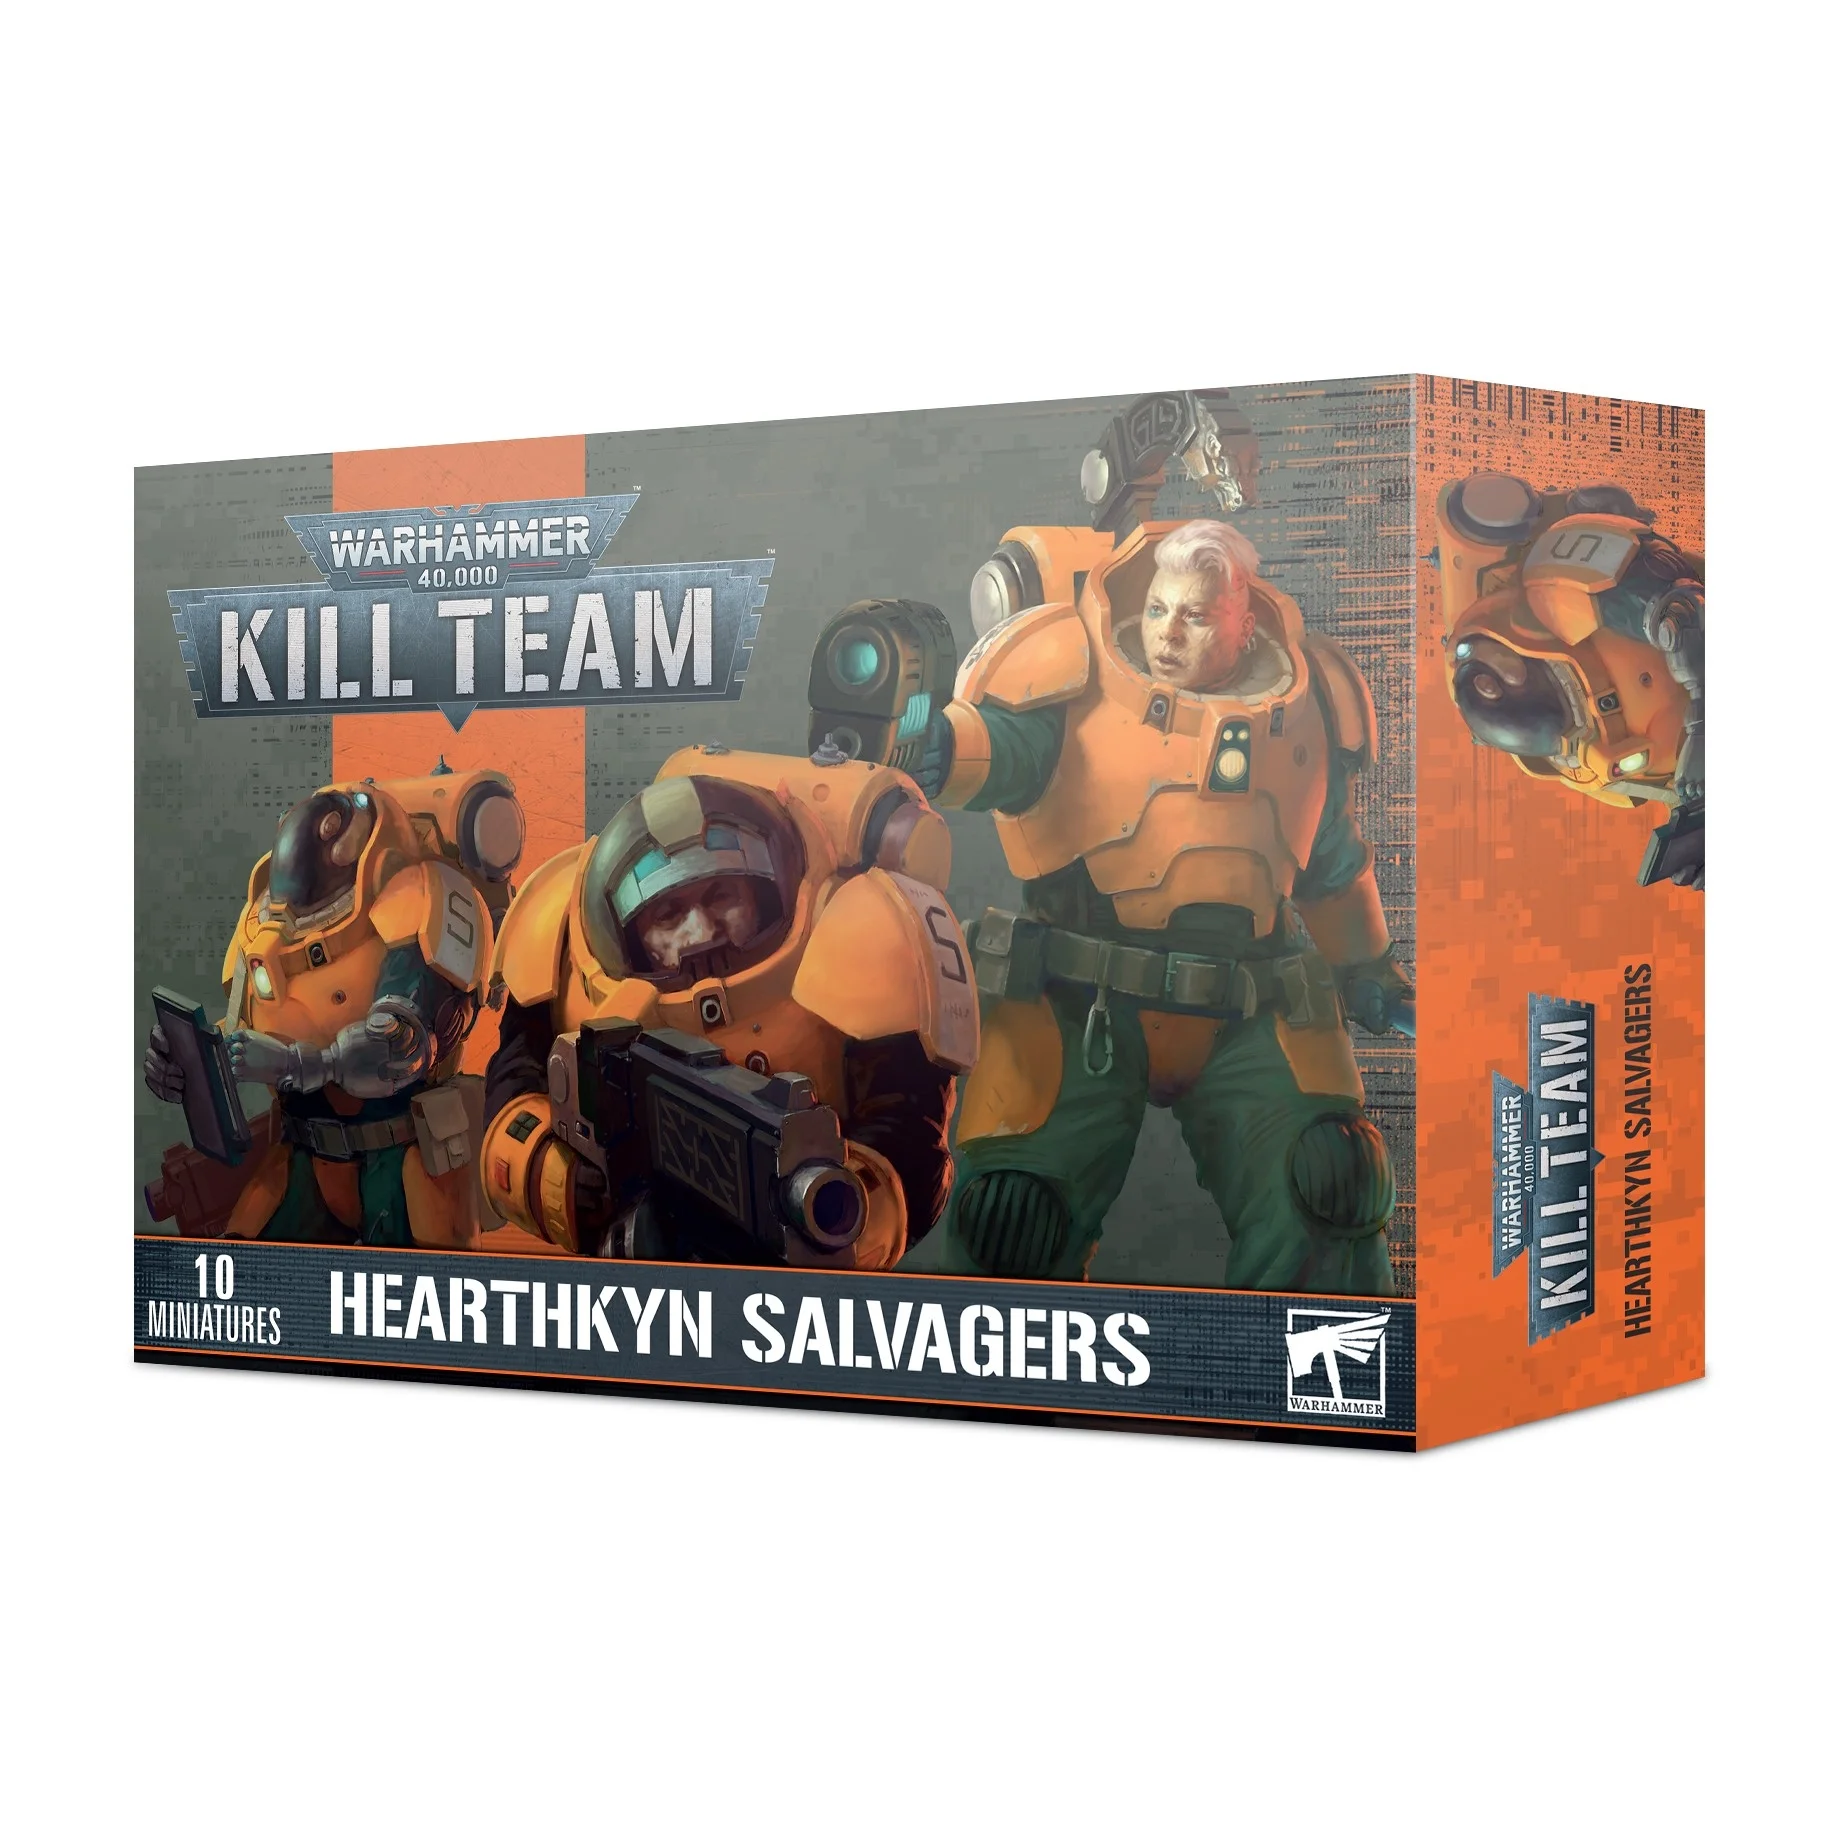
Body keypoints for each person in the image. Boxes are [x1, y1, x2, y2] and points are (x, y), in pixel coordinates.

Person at [881, 516, 1411, 1293]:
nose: (1167, 633)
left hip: (1252, 1007)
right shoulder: (1074, 675)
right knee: (1014, 1220)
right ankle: (1008, 1372)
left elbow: (1328, 859)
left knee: (1331, 1186)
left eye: (1195, 616)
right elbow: (1001, 750)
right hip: (1079, 996)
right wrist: (939, 748)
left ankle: (1315, 1372)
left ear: (1245, 623)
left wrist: (1367, 970)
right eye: (1158, 609)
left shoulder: (1312, 702)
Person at [481, 747, 977, 1266]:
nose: (701, 931)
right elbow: (513, 1083)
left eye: (721, 896)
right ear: (629, 935)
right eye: (667, 914)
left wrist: (830, 1222)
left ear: (762, 894)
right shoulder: (563, 937)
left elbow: (909, 1144)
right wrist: (563, 1182)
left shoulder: (854, 936)